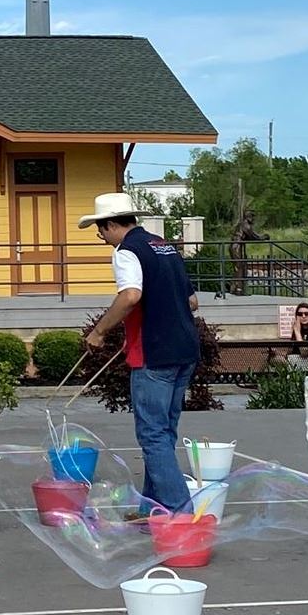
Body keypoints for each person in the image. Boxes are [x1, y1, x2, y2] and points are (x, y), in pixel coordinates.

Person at [81, 193, 199, 516]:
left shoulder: (126, 251)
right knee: (164, 433)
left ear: (110, 225)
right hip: (185, 349)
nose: (102, 237)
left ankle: (180, 514)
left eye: (100, 231)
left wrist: (99, 331)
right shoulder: (164, 246)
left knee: (153, 435)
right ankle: (152, 510)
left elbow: (131, 295)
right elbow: (192, 302)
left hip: (155, 354)